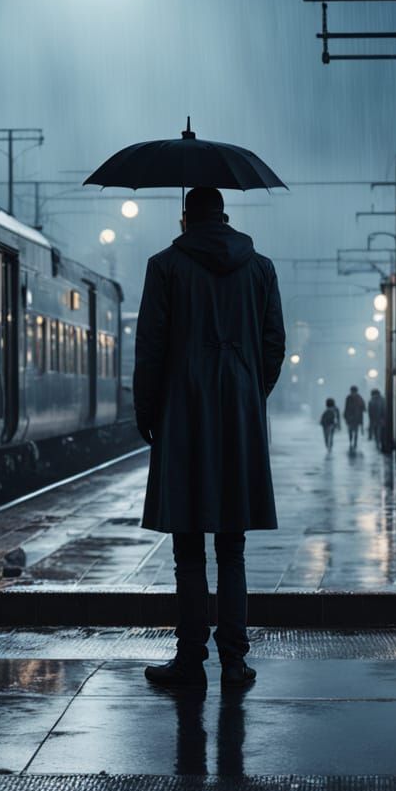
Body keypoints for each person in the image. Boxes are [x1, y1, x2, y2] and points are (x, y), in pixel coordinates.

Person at [135, 186, 285, 689]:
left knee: (188, 546)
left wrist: (149, 409)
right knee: (232, 545)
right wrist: (246, 390)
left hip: (184, 412)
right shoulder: (260, 268)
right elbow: (274, 344)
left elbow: (150, 347)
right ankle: (235, 661)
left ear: (185, 219)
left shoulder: (165, 266)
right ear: (225, 216)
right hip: (238, 413)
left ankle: (190, 658)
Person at [343, 385, 364, 450]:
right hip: (357, 417)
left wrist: (345, 416)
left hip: (350, 417)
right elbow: (363, 408)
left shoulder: (348, 397)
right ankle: (354, 442)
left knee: (350, 430)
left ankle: (351, 441)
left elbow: (346, 407)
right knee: (355, 431)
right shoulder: (359, 398)